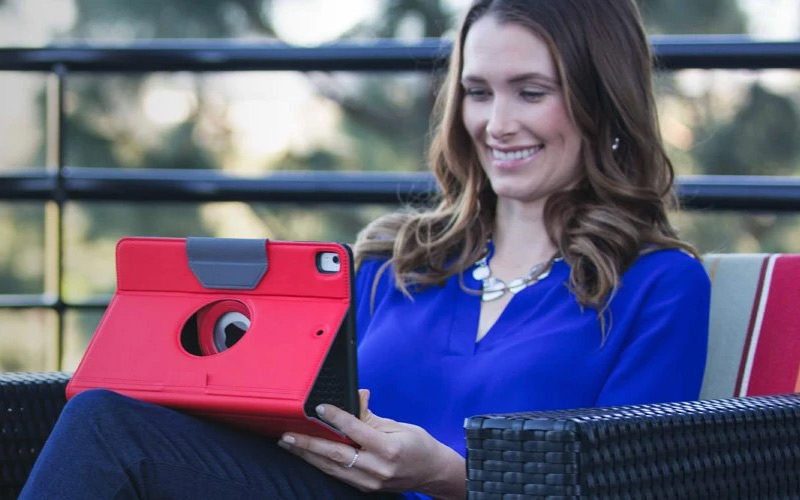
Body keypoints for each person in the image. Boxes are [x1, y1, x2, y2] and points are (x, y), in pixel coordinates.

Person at [20, 0, 710, 498]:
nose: (496, 124)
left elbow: (628, 487)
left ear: (601, 103)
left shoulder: (658, 284)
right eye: (476, 92)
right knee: (105, 416)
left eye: (530, 92)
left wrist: (449, 477)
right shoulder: (397, 263)